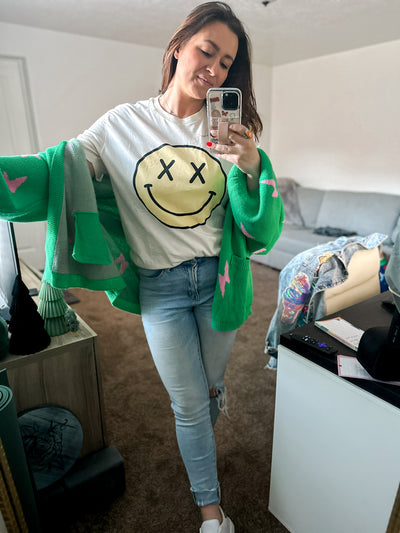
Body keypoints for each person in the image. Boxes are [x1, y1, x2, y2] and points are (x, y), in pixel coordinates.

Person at [0, 2, 283, 531]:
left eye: (226, 63)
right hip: (162, 289)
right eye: (206, 51)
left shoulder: (228, 131)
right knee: (188, 405)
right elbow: (56, 172)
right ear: (178, 47)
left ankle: (207, 417)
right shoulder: (121, 125)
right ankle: (212, 514)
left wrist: (251, 166)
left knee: (209, 386)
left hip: (221, 282)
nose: (214, 69)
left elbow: (260, 230)